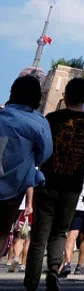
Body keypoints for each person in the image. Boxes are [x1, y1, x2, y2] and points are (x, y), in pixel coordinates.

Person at [22, 77, 84, 291]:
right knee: (60, 232)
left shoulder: (52, 119)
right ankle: (53, 271)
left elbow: (40, 150)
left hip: (48, 182)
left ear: (66, 93)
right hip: (73, 186)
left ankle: (30, 288)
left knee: (39, 238)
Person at [0, 77, 52, 241]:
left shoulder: (2, 115)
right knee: (2, 231)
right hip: (15, 182)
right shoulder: (39, 123)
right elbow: (45, 154)